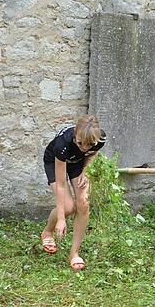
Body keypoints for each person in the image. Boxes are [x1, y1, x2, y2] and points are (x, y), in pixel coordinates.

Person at [40, 115, 106, 270]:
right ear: (76, 134)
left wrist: (85, 170)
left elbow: (92, 153)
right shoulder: (63, 143)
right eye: (80, 143)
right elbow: (62, 184)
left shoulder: (99, 139)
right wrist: (62, 219)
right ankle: (48, 232)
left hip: (77, 163)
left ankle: (74, 253)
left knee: (83, 203)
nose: (84, 147)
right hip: (55, 161)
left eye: (89, 144)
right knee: (68, 206)